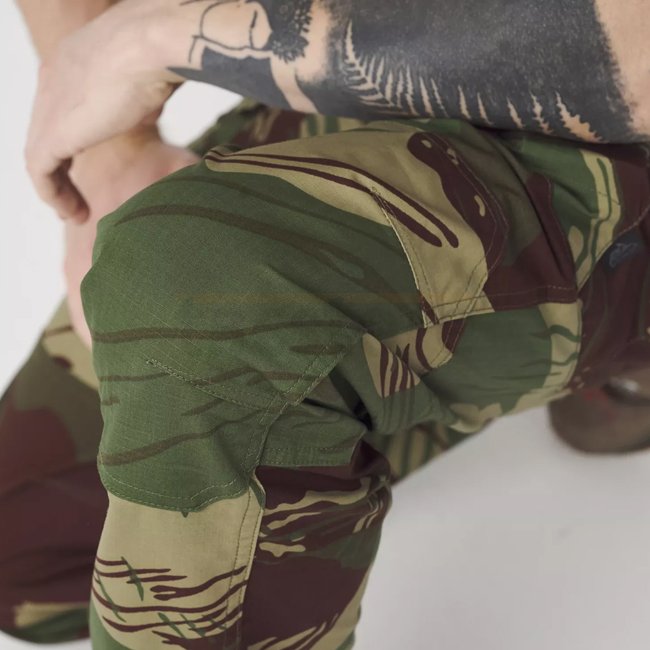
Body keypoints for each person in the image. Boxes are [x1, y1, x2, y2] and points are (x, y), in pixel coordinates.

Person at [1, 0, 649, 647]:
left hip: (603, 102)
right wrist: (112, 150)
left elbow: (633, 55)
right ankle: (344, 398)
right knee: (20, 555)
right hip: (353, 73)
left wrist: (157, 39)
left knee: (198, 301)